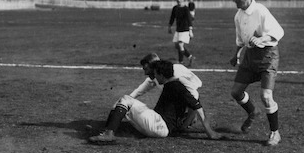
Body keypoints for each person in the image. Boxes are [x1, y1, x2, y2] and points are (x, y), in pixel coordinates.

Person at [88, 60, 218, 144]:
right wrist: (183, 126)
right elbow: (195, 104)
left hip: (160, 126)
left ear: (161, 74)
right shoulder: (174, 84)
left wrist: (209, 132)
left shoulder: (176, 86)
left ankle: (108, 134)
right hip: (160, 126)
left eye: (155, 74)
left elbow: (197, 106)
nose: (154, 77)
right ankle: (107, 130)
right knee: (123, 102)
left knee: (126, 100)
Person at [228, 0, 284, 147]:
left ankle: (275, 132)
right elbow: (240, 40)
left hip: (268, 56)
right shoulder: (238, 15)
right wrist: (235, 55)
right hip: (249, 56)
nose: (234, 1)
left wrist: (261, 38)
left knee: (266, 96)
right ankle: (253, 111)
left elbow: (278, 32)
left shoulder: (260, 11)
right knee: (236, 92)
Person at [129, 52, 202, 100]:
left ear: (155, 67)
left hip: (190, 98)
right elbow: (141, 89)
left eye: (146, 69)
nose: (145, 73)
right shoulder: (157, 76)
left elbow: (194, 95)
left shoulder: (175, 75)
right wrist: (128, 99)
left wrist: (190, 115)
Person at [168, 0, 195, 66]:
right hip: (178, 30)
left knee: (180, 45)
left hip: (185, 30)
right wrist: (169, 26)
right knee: (177, 46)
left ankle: (181, 62)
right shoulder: (175, 8)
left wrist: (190, 30)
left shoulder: (186, 9)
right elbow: (172, 18)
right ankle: (190, 57)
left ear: (183, 0)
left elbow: (189, 20)